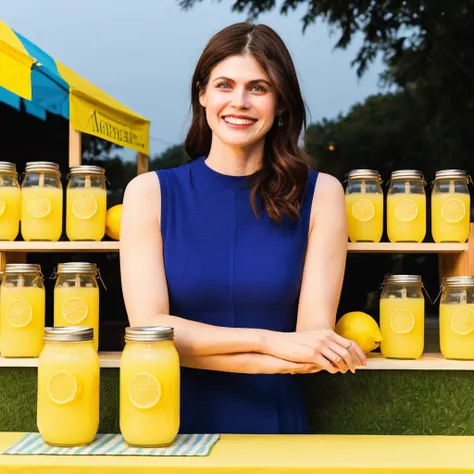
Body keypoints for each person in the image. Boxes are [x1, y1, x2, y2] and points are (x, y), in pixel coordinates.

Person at [120, 22, 367, 435]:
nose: (239, 101)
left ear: (281, 104)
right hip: (166, 430)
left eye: (258, 87)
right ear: (202, 95)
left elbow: (311, 346)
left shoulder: (322, 194)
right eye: (224, 85)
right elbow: (150, 332)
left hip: (277, 429)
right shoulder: (149, 193)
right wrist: (271, 340)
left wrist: (185, 346)